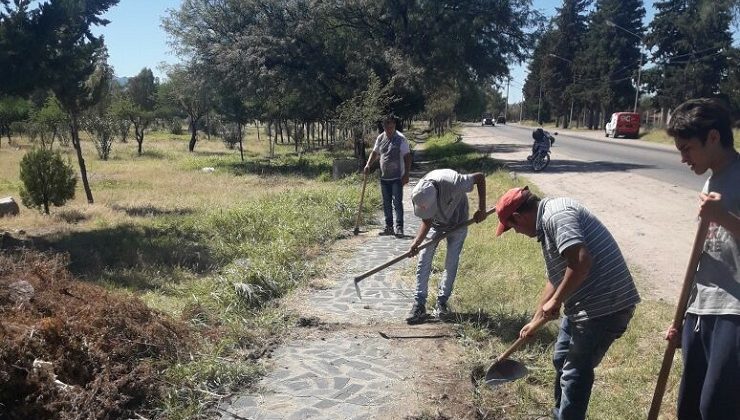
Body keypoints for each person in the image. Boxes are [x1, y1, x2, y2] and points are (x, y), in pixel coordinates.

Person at [495, 186, 640, 420]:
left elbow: (581, 262)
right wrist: (535, 320)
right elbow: (555, 278)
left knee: (574, 373)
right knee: (561, 358)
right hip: (583, 305)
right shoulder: (546, 222)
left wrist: (556, 301)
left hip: (605, 306)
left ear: (519, 217)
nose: (517, 233)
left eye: (512, 228)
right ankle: (559, 414)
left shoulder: (556, 216)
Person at [664, 98, 740, 420]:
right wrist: (681, 316)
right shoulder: (711, 178)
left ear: (713, 137)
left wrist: (722, 217)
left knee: (717, 409)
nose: (682, 158)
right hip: (700, 307)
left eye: (687, 148)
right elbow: (707, 253)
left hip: (734, 311)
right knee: (690, 407)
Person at [406, 169, 487, 323]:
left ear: (436, 199)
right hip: (437, 224)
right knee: (424, 257)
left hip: (458, 220)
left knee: (451, 261)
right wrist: (416, 243)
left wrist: (482, 209)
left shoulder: (455, 183)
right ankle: (419, 304)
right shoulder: (419, 193)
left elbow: (480, 177)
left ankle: (442, 302)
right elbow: (427, 220)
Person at [364, 115, 411, 238]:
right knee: (386, 203)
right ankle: (389, 227)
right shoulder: (380, 138)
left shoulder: (401, 139)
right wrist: (368, 164)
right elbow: (375, 153)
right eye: (386, 126)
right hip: (384, 177)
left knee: (397, 202)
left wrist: (406, 174)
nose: (389, 129)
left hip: (397, 177)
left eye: (391, 126)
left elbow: (407, 157)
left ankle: (399, 227)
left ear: (394, 125)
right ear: (383, 126)